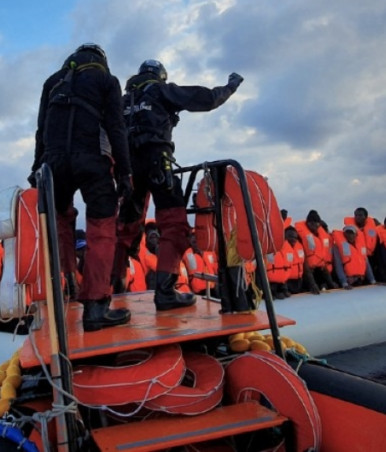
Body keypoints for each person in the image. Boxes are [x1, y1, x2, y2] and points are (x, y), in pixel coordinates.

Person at [116, 58, 243, 312]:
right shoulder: (161, 90)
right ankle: (165, 292)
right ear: (160, 76)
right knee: (174, 225)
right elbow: (206, 99)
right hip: (156, 164)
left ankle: (112, 288)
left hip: (127, 170)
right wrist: (230, 87)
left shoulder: (121, 102)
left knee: (125, 229)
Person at [29, 43, 133, 332]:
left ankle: (68, 284)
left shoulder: (53, 81)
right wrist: (124, 172)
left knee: (61, 222)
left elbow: (41, 129)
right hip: (92, 160)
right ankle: (96, 308)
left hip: (54, 163)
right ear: (102, 60)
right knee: (101, 230)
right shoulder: (107, 81)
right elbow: (116, 127)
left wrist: (36, 167)